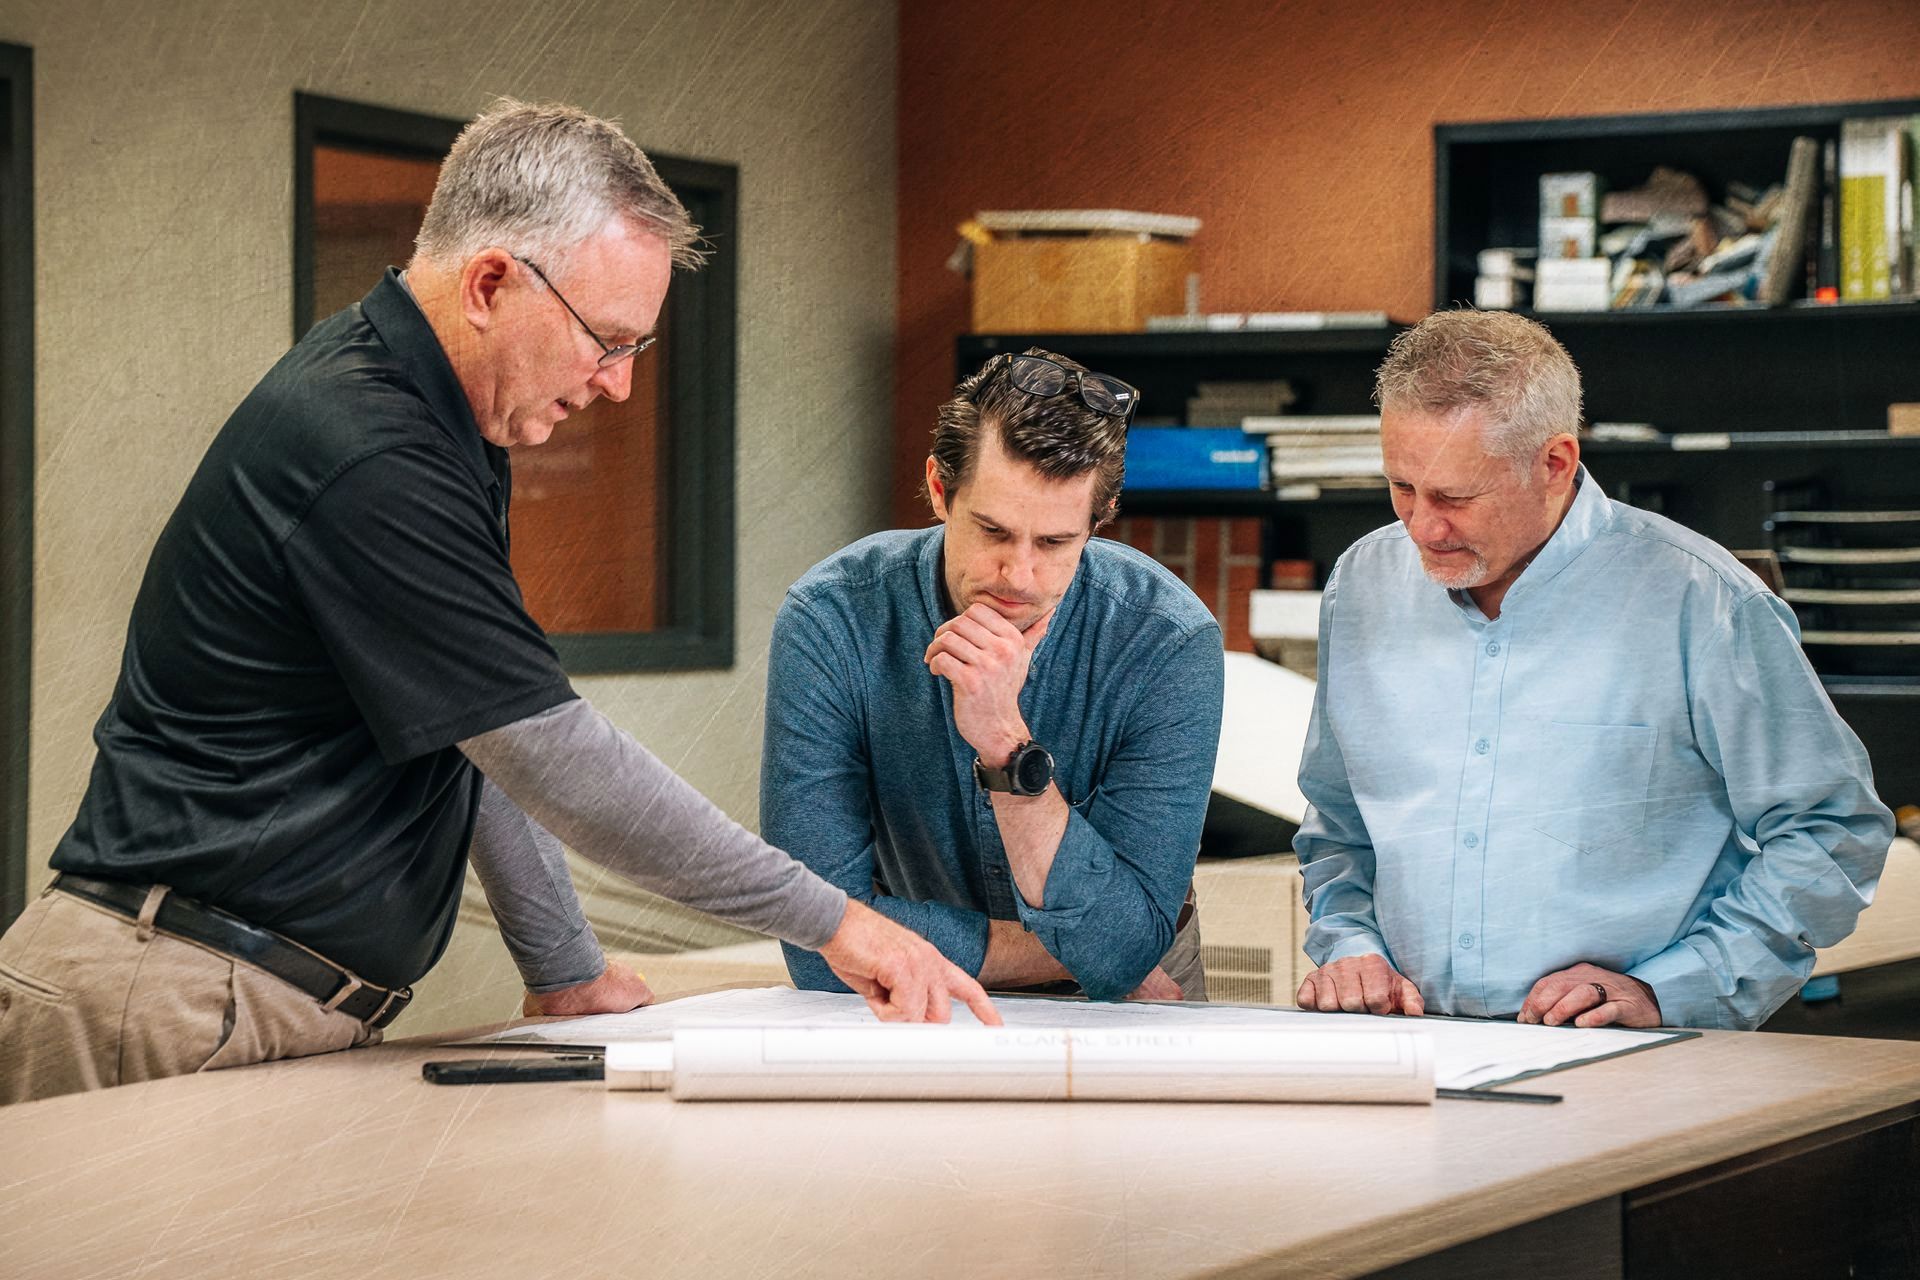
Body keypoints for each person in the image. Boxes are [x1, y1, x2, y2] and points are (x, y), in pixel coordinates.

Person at [0, 100, 993, 1106]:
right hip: (161, 995)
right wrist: (840, 919)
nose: (615, 387)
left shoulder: (443, 432)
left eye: (634, 351)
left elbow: (471, 731)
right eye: (607, 341)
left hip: (236, 994)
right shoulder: (370, 451)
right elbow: (549, 754)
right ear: (488, 283)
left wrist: (563, 965)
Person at [1292, 308, 1893, 1031]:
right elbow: (1338, 823)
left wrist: (1674, 988)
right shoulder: (1363, 582)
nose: (1422, 526)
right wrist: (1352, 947)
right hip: (1413, 1047)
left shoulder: (1701, 600)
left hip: (1633, 1052)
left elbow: (1831, 830)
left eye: (1455, 497)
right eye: (1402, 488)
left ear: (1555, 463)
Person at [762, 349, 1225, 1002]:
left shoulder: (1168, 641)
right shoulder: (833, 619)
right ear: (938, 488)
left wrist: (1006, 748)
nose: (1020, 575)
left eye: (1056, 543)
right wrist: (1065, 953)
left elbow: (1122, 952)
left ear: (1100, 520)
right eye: (993, 531)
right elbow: (816, 943)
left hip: (1123, 1007)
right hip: (922, 996)